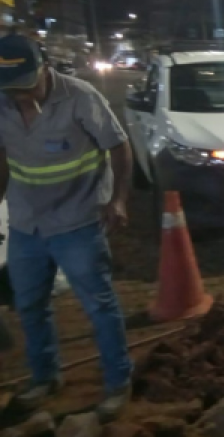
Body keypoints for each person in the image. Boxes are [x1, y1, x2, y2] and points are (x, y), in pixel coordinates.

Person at [0, 35, 133, 420]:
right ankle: (45, 377)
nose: (20, 96)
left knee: (98, 304)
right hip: (27, 223)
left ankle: (117, 381)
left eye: (26, 85)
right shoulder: (2, 101)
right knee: (29, 306)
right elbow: (3, 157)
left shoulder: (80, 97)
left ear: (44, 68)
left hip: (78, 220)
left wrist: (118, 199)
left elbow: (119, 146)